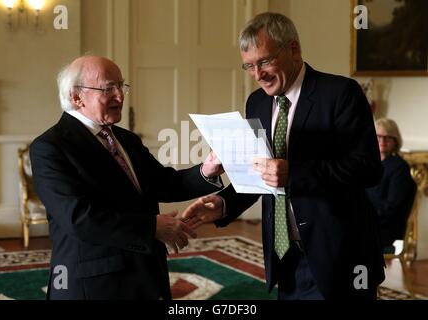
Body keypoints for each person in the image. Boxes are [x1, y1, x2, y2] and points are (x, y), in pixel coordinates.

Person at [182, 12, 385, 300]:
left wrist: (295, 173)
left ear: (293, 49)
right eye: (249, 66)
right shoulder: (256, 102)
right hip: (284, 257)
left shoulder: (341, 93)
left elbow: (368, 169)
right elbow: (260, 175)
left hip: (340, 257)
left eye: (264, 61)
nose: (258, 74)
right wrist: (223, 204)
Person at [30, 56, 224, 300]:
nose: (120, 96)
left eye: (121, 86)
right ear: (76, 97)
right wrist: (153, 227)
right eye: (108, 88)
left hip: (146, 275)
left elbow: (162, 183)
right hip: (95, 285)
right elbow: (78, 218)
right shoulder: (50, 147)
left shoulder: (126, 139)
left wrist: (206, 170)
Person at [366, 118, 416, 254]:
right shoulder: (369, 163)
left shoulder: (399, 167)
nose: (382, 141)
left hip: (385, 229)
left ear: (395, 141)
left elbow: (391, 208)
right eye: (378, 136)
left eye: (388, 137)